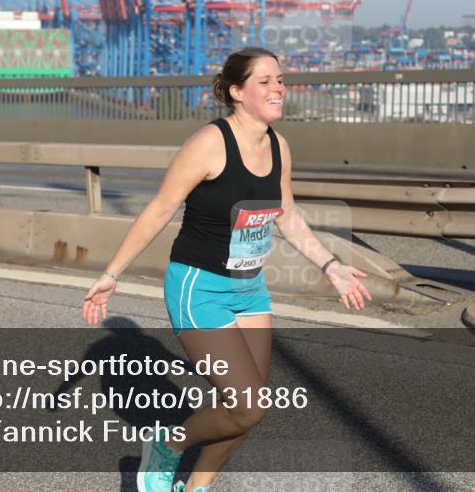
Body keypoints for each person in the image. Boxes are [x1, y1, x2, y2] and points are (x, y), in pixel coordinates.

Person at [82, 47, 373, 492]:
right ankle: (169, 445)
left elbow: (287, 214)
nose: (278, 88)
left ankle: (194, 489)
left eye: (280, 79)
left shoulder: (278, 146)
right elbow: (160, 210)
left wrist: (332, 266)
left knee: (246, 413)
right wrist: (112, 274)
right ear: (237, 92)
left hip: (249, 289)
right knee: (249, 405)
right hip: (199, 287)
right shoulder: (209, 144)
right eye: (266, 81)